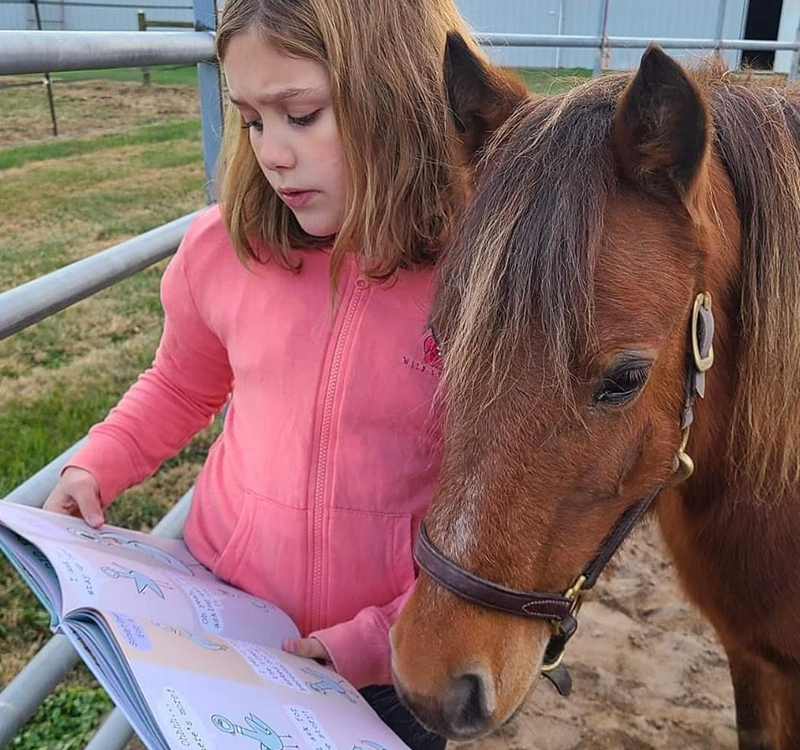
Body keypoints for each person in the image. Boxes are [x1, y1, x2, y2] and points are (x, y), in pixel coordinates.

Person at [44, 0, 488, 746]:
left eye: (301, 114)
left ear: (398, 98)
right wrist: (99, 462)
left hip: (385, 673)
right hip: (228, 631)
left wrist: (381, 634)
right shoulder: (226, 251)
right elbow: (181, 383)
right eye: (252, 120)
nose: (270, 153)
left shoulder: (477, 281)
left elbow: (491, 500)